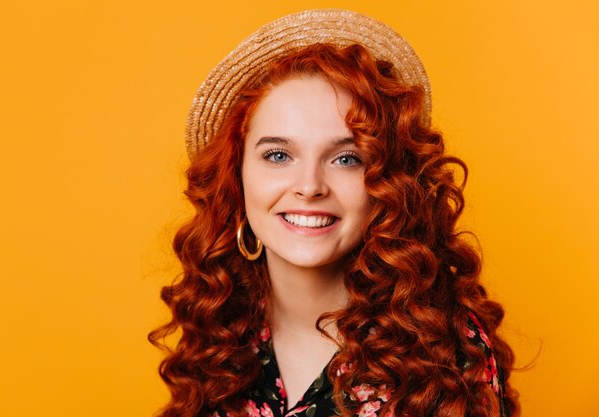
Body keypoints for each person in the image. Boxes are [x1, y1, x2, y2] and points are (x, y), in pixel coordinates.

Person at [149, 9, 518, 417]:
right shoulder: (219, 322)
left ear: (386, 181)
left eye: (346, 158)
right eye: (277, 155)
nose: (309, 186)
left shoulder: (445, 355)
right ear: (236, 176)